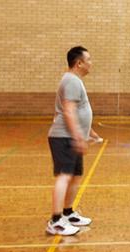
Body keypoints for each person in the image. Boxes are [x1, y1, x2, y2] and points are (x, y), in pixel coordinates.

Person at [47, 46, 102, 236]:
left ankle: (68, 213)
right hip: (63, 137)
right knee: (64, 176)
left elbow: (78, 112)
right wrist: (79, 137)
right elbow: (68, 111)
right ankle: (55, 221)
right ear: (79, 63)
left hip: (71, 135)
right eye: (89, 59)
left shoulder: (74, 81)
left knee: (75, 176)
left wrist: (90, 132)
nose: (91, 63)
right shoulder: (71, 81)